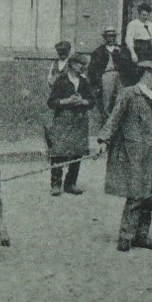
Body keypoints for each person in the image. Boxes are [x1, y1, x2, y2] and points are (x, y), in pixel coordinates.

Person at [98, 58, 152, 252]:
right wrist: (103, 140)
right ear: (146, 74)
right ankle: (125, 236)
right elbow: (114, 119)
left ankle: (142, 235)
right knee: (136, 195)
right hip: (135, 156)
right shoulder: (129, 94)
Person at [46, 51, 94, 196]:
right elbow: (51, 102)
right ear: (72, 64)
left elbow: (92, 102)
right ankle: (55, 184)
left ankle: (70, 183)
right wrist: (66, 101)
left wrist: (82, 101)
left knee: (77, 152)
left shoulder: (84, 82)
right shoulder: (61, 81)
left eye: (84, 65)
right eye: (81, 64)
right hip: (63, 120)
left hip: (79, 121)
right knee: (58, 152)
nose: (83, 67)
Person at [86, 26, 126, 122]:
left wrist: (120, 55)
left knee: (122, 98)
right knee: (106, 100)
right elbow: (93, 68)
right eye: (109, 36)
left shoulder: (121, 49)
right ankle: (106, 123)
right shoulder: (99, 51)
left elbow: (127, 64)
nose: (111, 38)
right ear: (105, 38)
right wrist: (98, 82)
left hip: (119, 76)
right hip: (106, 76)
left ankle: (119, 123)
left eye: (113, 36)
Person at [123, 3, 152, 78]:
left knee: (149, 71)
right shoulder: (133, 24)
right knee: (139, 71)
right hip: (138, 50)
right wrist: (133, 53)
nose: (145, 17)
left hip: (148, 50)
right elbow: (129, 39)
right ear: (139, 14)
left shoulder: (150, 24)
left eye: (147, 15)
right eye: (143, 15)